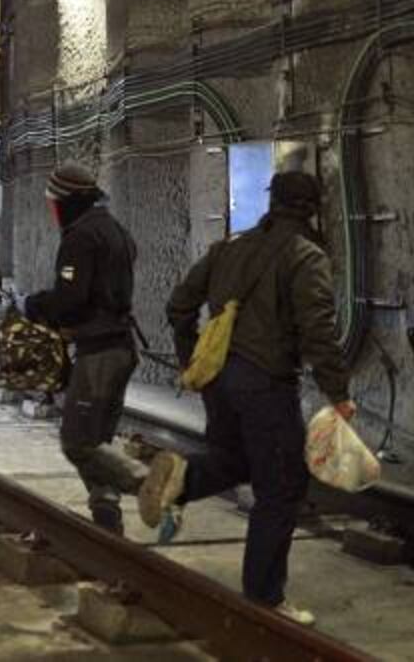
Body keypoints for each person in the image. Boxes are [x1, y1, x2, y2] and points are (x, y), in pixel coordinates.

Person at [139, 169, 355, 626]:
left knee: (236, 461)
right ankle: (265, 601)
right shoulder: (306, 256)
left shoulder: (229, 248)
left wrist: (188, 357)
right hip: (265, 385)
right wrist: (338, 393)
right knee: (281, 488)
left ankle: (184, 479)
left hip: (219, 382)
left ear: (271, 202)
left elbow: (178, 304)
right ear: (314, 208)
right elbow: (319, 329)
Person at [10, 163, 146, 533]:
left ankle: (150, 487)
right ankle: (107, 523)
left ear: (67, 200)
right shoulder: (116, 230)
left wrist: (31, 305)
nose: (52, 210)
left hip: (99, 354)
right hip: (119, 348)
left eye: (54, 202)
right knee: (97, 441)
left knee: (77, 443)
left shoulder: (81, 237)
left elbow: (70, 300)